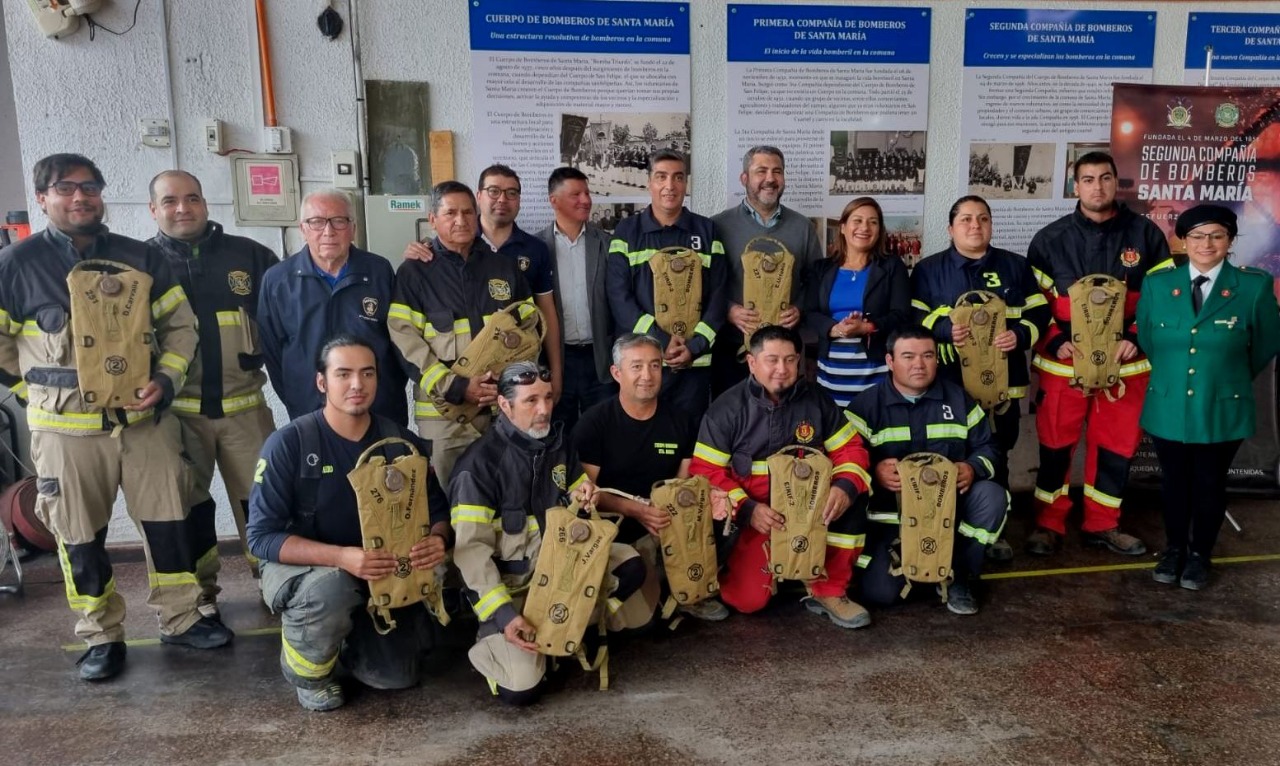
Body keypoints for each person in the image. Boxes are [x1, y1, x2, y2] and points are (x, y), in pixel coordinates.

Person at [0, 153, 228, 682]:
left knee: (170, 524)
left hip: (145, 424)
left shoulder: (139, 257)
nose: (80, 197)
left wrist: (166, 381)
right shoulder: (16, 265)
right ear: (43, 198)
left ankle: (181, 617)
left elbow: (181, 329)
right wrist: (38, 393)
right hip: (66, 435)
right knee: (78, 538)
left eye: (90, 187)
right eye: (65, 188)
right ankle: (101, 634)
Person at [247, 336, 449, 711]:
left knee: (398, 676)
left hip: (381, 570)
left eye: (367, 373)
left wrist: (437, 539)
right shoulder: (289, 445)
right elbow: (260, 538)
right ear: (322, 382)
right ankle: (308, 673)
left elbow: (437, 511)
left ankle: (349, 640)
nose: (357, 384)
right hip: (311, 570)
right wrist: (341, 557)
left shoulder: (400, 443)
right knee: (329, 590)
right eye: (344, 374)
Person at [450, 361, 652, 705]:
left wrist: (586, 499)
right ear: (504, 405)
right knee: (523, 691)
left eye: (547, 397)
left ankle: (568, 629)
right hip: (516, 592)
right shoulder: (479, 467)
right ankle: (495, 640)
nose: (544, 409)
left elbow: (579, 495)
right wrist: (505, 616)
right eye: (531, 401)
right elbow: (471, 555)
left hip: (563, 573)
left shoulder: (558, 444)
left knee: (631, 565)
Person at [1025, 152, 1171, 557]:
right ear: (1076, 186)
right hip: (1063, 365)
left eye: (1105, 178)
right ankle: (1047, 523)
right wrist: (1055, 341)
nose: (1097, 187)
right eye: (1087, 179)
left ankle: (1102, 524)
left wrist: (1138, 339)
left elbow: (1163, 301)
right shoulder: (1049, 240)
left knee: (1115, 448)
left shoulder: (1146, 236)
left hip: (1126, 366)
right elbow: (1033, 306)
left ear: (1115, 182)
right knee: (1054, 448)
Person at [148, 170, 279, 608]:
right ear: (154, 210)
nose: (182, 208)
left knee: (262, 503)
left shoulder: (252, 257)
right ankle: (201, 593)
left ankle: (274, 581)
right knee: (190, 509)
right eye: (170, 201)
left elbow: (283, 327)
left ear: (206, 203)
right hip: (176, 415)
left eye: (192, 198)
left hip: (246, 409)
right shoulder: (140, 264)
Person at [689, 325, 873, 628]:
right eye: (771, 360)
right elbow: (705, 471)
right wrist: (748, 510)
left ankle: (829, 590)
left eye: (790, 360)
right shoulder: (726, 409)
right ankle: (734, 574)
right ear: (752, 362)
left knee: (855, 494)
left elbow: (851, 450)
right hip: (757, 518)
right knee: (747, 602)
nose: (782, 369)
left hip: (810, 512)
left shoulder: (817, 400)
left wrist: (843, 487)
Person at [1137, 205, 1280, 590]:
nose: (1206, 244)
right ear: (1183, 240)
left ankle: (1200, 554)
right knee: (1174, 483)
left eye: (1216, 235)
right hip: (1168, 403)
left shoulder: (1253, 285)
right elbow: (1150, 340)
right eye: (1197, 236)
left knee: (1209, 482)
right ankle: (1172, 551)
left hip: (1222, 404)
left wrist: (1224, 377)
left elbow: (1265, 344)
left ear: (1230, 241)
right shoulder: (1158, 284)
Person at [910, 195, 1050, 560]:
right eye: (967, 219)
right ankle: (945, 524)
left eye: (983, 219)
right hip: (949, 385)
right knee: (949, 453)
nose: (976, 226)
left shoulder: (1016, 267)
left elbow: (1040, 315)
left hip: (1003, 387)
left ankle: (995, 530)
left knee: (998, 452)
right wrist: (942, 330)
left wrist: (1019, 336)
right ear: (951, 228)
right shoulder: (928, 270)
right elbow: (912, 319)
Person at [846, 326, 1008, 615]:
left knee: (992, 497)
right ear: (890, 361)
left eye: (927, 356)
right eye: (908, 356)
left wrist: (972, 468)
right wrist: (873, 471)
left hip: (947, 515)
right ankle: (920, 566)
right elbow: (843, 460)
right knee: (880, 593)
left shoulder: (959, 400)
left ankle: (959, 573)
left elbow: (990, 449)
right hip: (892, 522)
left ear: (937, 359)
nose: (919, 364)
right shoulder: (865, 407)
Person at [388, 181, 535, 484]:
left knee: (507, 494)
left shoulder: (503, 268)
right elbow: (405, 341)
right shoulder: (414, 273)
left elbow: (530, 330)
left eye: (468, 212)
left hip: (500, 411)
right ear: (432, 219)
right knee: (452, 499)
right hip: (445, 420)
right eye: (450, 213)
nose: (461, 220)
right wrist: (455, 386)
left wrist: (506, 382)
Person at [574, 333, 726, 621]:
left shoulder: (681, 420)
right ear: (616, 373)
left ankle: (689, 590)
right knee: (641, 624)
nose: (647, 375)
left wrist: (682, 511)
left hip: (665, 520)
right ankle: (653, 582)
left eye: (655, 366)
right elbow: (586, 495)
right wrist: (637, 510)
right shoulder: (594, 423)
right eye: (637, 366)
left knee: (721, 511)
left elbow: (683, 485)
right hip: (616, 527)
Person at [403, 165, 563, 404]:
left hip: (502, 395)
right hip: (447, 406)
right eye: (494, 191)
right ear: (480, 197)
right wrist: (454, 386)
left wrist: (517, 379)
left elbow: (538, 320)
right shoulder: (426, 261)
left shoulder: (531, 251)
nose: (502, 199)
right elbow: (406, 338)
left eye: (511, 193)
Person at [258, 189, 406, 423]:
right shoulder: (278, 281)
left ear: (353, 229)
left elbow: (400, 341)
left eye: (339, 221)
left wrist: (386, 390)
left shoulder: (378, 271)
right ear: (303, 229)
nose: (328, 231)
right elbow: (272, 352)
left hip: (378, 411)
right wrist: (299, 398)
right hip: (310, 412)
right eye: (316, 222)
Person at [607, 149, 728, 418]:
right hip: (643, 365)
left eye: (678, 177)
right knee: (641, 438)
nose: (669, 186)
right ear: (649, 182)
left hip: (693, 364)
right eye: (661, 177)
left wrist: (694, 347)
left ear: (686, 183)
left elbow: (719, 297)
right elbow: (618, 296)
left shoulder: (707, 231)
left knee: (687, 439)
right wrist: (660, 342)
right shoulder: (627, 231)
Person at [710, 146, 824, 396]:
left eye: (777, 171)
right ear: (744, 178)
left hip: (784, 353)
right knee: (733, 420)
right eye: (761, 171)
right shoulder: (717, 226)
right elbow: (706, 283)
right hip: (733, 348)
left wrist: (800, 308)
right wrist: (728, 310)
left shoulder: (803, 228)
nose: (770, 179)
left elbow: (817, 282)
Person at [805, 197, 911, 408]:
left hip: (877, 368)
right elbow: (809, 312)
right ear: (843, 227)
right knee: (836, 432)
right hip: (832, 370)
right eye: (858, 220)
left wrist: (866, 327)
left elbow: (902, 314)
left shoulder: (892, 267)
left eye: (873, 222)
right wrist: (834, 329)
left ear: (879, 230)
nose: (865, 227)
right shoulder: (821, 268)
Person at [537, 167, 617, 436]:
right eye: (576, 194)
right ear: (554, 200)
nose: (586, 200)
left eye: (587, 192)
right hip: (557, 358)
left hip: (600, 358)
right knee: (559, 434)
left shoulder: (606, 243)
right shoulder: (537, 248)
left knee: (604, 434)